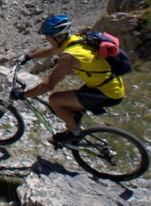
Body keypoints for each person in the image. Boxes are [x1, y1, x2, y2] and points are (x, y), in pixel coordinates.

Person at [10, 14, 125, 147]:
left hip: (107, 93)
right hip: (107, 85)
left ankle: (74, 133)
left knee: (54, 100)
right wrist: (28, 57)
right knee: (70, 107)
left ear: (58, 36)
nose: (46, 38)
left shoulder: (69, 57)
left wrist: (23, 95)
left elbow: (48, 85)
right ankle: (73, 129)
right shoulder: (74, 40)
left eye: (48, 36)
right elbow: (52, 50)